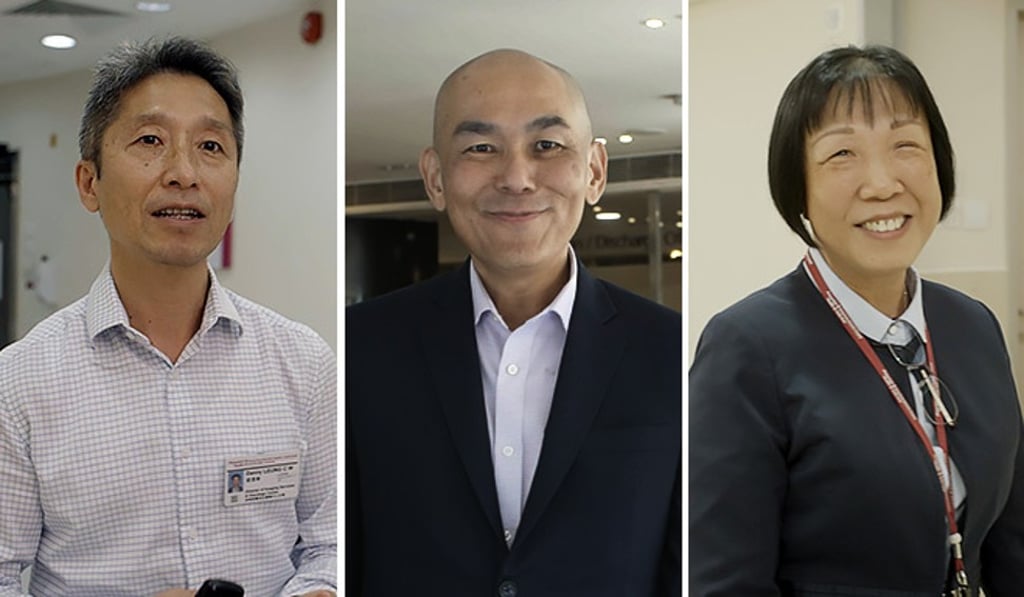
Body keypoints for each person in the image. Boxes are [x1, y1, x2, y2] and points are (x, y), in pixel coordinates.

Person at [0, 37, 336, 597]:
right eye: (150, 140)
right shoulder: (20, 382)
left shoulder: (303, 362)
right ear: (90, 183)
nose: (184, 172)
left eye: (210, 146)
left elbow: (331, 543)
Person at [689, 45, 1024, 596]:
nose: (882, 182)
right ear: (797, 186)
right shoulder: (746, 347)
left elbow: (1011, 537)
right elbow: (724, 581)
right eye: (842, 154)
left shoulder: (972, 325)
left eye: (905, 145)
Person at [346, 49, 681, 596]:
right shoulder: (361, 347)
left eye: (547, 145)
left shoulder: (672, 349)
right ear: (435, 178)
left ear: (594, 171)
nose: (517, 177)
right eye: (481, 148)